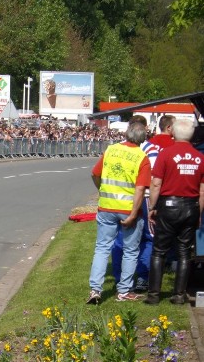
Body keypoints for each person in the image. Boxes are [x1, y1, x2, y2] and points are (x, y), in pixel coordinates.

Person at [87, 122, 151, 304]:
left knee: (102, 248)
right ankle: (123, 291)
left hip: (106, 206)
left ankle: (95, 289)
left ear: (126, 134)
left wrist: (101, 189)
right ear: (143, 138)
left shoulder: (111, 150)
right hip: (127, 209)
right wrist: (133, 214)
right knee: (131, 251)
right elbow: (140, 189)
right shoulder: (142, 157)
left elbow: (94, 174)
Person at [144, 119, 204, 305]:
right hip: (190, 207)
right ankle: (179, 295)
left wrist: (152, 207)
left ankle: (154, 294)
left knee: (159, 250)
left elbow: (155, 183)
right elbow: (202, 190)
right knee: (184, 252)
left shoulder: (165, 154)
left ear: (174, 133)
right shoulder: (200, 158)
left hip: (168, 206)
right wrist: (198, 214)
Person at [111, 115, 160, 292]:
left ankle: (121, 277)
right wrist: (154, 203)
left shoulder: (116, 149)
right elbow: (154, 179)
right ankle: (141, 276)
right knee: (147, 237)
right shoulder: (151, 149)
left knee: (121, 237)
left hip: (123, 197)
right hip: (144, 196)